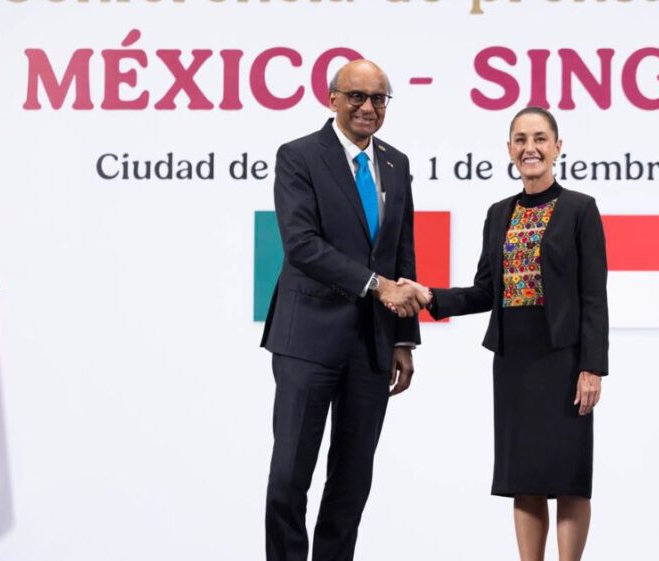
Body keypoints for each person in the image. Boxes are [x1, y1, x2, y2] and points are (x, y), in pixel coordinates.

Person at [400, 107, 609, 561]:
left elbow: (593, 296)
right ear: (510, 150)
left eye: (540, 138)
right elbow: (484, 291)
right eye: (520, 140)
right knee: (525, 477)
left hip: (565, 360)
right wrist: (429, 296)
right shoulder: (498, 214)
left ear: (558, 146)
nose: (530, 148)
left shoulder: (580, 209)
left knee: (570, 477)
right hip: (514, 360)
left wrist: (592, 367)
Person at [260, 59, 430, 561]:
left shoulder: (396, 163)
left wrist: (404, 338)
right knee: (289, 476)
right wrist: (376, 286)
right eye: (357, 96)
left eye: (378, 98)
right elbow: (301, 245)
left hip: (372, 345)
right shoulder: (298, 156)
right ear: (332, 98)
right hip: (307, 341)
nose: (368, 107)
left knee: (352, 481)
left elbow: (401, 254)